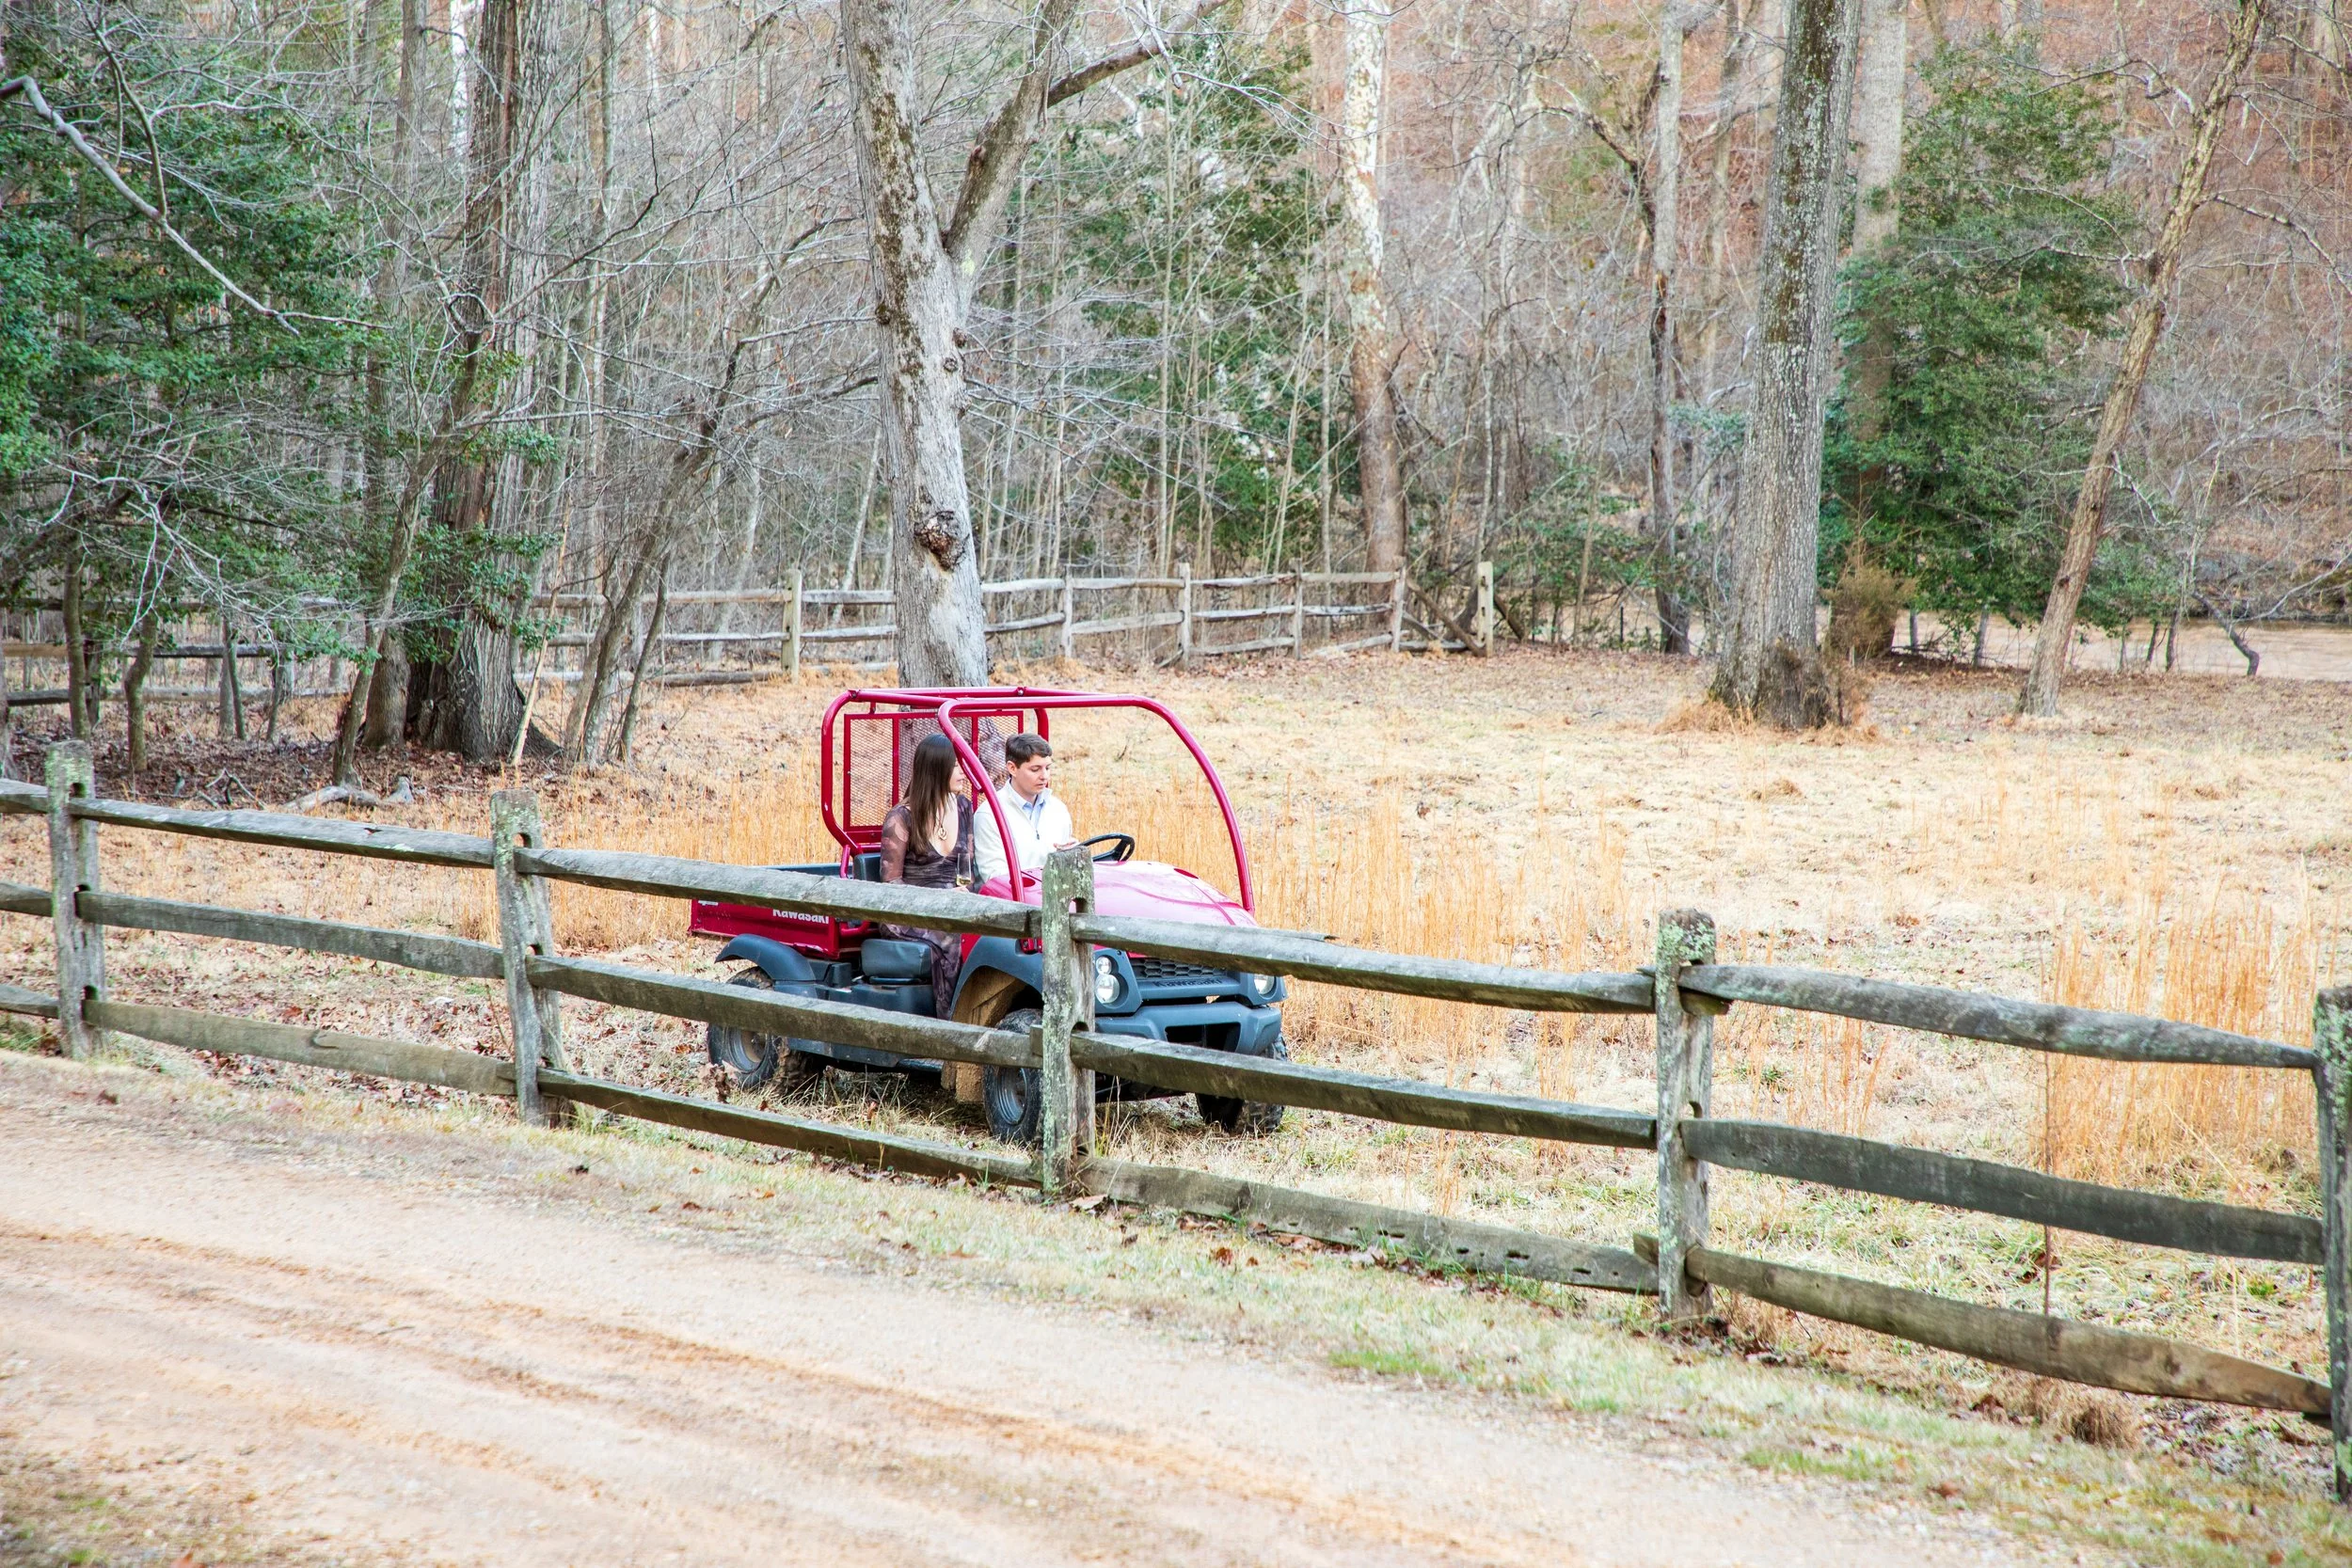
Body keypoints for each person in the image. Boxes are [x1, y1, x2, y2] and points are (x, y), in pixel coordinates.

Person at [876, 733, 975, 1015]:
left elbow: (969, 869)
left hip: (954, 906)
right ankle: (951, 1022)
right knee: (951, 938)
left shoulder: (964, 807)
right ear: (936, 769)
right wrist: (941, 898)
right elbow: (892, 885)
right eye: (955, 766)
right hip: (908, 913)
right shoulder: (901, 817)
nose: (962, 772)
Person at [972, 731, 1075, 884]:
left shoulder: (1058, 809)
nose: (1044, 776)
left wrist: (1073, 856)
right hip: (1012, 904)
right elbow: (995, 877)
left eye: (1048, 768)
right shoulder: (989, 814)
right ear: (1012, 768)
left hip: (1054, 898)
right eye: (1035, 769)